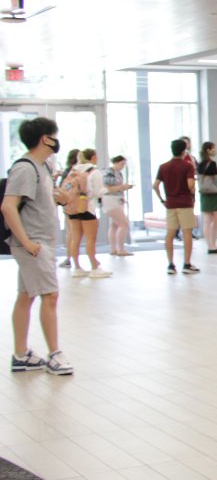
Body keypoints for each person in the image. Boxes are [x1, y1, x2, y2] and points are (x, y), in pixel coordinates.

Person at [3, 117, 73, 375]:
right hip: (34, 243)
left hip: (39, 241)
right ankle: (55, 353)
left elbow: (40, 199)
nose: (56, 139)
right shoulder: (25, 168)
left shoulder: (42, 167)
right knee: (50, 295)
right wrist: (27, 242)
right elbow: (8, 206)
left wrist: (61, 198)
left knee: (27, 295)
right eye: (54, 134)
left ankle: (21, 354)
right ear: (45, 138)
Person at [152, 139, 199, 275]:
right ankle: (187, 264)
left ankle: (171, 265)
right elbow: (190, 185)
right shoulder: (187, 166)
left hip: (170, 203)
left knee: (170, 233)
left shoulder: (164, 166)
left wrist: (162, 200)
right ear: (184, 151)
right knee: (187, 232)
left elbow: (155, 186)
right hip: (185, 203)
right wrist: (193, 190)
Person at [62, 150, 109, 278]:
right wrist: (106, 190)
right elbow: (98, 192)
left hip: (72, 207)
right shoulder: (94, 172)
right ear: (93, 157)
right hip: (87, 207)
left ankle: (77, 267)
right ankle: (94, 267)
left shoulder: (73, 171)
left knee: (75, 237)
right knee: (90, 238)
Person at [197, 141, 217, 254]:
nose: (215, 150)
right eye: (213, 148)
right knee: (215, 222)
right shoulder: (213, 164)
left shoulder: (199, 164)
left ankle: (209, 245)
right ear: (209, 150)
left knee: (206, 221)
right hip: (214, 195)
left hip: (204, 195)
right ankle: (214, 245)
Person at [100, 156, 134, 256]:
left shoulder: (118, 174)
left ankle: (113, 249)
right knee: (124, 224)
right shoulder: (108, 173)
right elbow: (107, 189)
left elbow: (118, 188)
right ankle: (121, 249)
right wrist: (122, 187)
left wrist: (122, 193)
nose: (123, 166)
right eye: (121, 164)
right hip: (110, 200)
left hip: (117, 199)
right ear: (116, 162)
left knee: (114, 225)